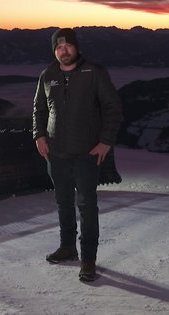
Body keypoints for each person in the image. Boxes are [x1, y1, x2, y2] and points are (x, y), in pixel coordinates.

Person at [32, 27, 123, 281]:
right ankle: (67, 247)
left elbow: (113, 108)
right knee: (63, 203)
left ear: (77, 47)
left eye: (68, 45)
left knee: (87, 206)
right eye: (59, 46)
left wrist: (105, 142)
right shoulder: (47, 74)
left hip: (86, 153)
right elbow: (38, 110)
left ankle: (88, 260)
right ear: (54, 50)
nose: (64, 50)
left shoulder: (93, 73)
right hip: (56, 153)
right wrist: (38, 136)